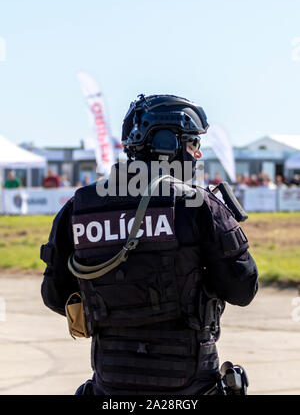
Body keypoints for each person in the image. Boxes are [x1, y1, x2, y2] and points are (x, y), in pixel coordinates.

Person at [40, 94, 258, 395]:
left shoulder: (79, 206)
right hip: (188, 387)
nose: (197, 155)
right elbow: (243, 290)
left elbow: (54, 296)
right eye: (193, 143)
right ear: (167, 143)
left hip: (111, 385)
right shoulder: (199, 205)